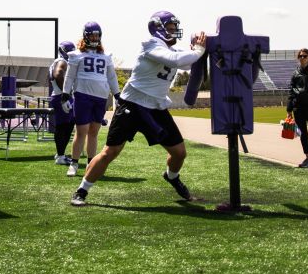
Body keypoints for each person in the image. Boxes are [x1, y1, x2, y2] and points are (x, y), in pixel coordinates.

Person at [70, 11, 205, 207]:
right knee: (110, 152)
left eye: (175, 28)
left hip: (156, 107)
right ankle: (82, 190)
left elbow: (187, 62)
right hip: (132, 105)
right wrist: (198, 51)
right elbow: (176, 60)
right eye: (170, 28)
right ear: (158, 29)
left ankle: (172, 177)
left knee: (179, 152)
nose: (174, 32)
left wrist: (203, 52)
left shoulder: (174, 51)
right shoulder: (150, 44)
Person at [61, 23, 119, 177]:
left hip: (100, 97)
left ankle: (91, 164)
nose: (95, 38)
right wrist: (65, 94)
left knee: (94, 132)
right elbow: (70, 76)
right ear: (86, 36)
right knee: (81, 131)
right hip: (83, 95)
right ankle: (74, 163)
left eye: (97, 35)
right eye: (92, 35)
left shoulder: (106, 56)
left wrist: (117, 94)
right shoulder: (76, 55)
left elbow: (111, 77)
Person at [49, 40, 77, 168]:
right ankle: (60, 156)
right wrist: (65, 94)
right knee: (64, 127)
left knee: (67, 126)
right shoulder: (62, 61)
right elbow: (58, 74)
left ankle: (60, 154)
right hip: (61, 96)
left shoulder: (58, 61)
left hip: (59, 95)